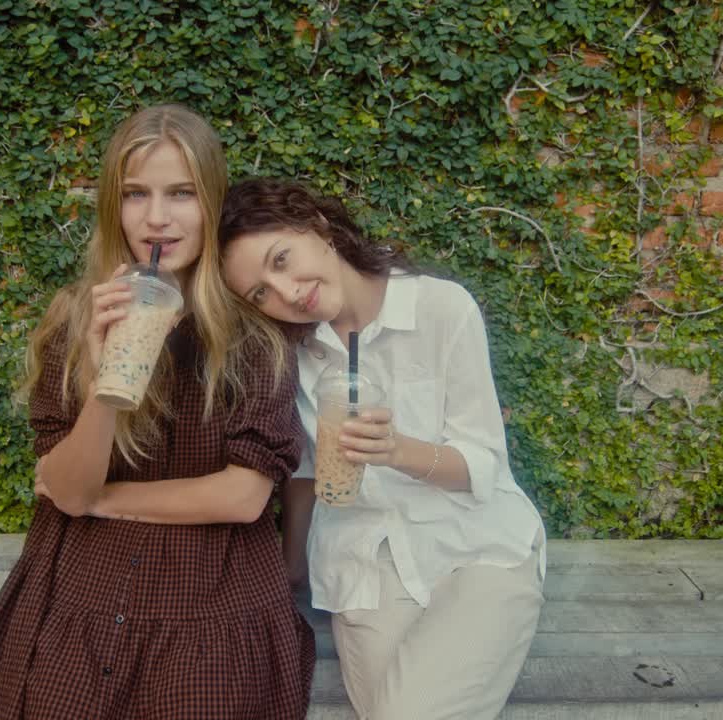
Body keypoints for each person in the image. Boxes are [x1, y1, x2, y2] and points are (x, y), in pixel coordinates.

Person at [0, 107, 315, 720]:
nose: (157, 217)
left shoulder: (256, 337)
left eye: (182, 194)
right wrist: (104, 386)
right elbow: (65, 487)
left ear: (212, 202)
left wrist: (102, 502)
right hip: (84, 593)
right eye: (135, 193)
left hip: (210, 599)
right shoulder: (79, 315)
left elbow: (244, 496)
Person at [217, 178, 547, 720]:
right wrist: (290, 568)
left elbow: (482, 465)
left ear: (316, 226)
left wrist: (396, 450)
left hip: (479, 547)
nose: (287, 292)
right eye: (260, 293)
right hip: (364, 562)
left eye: (282, 259)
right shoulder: (295, 357)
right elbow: (304, 473)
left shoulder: (440, 309)